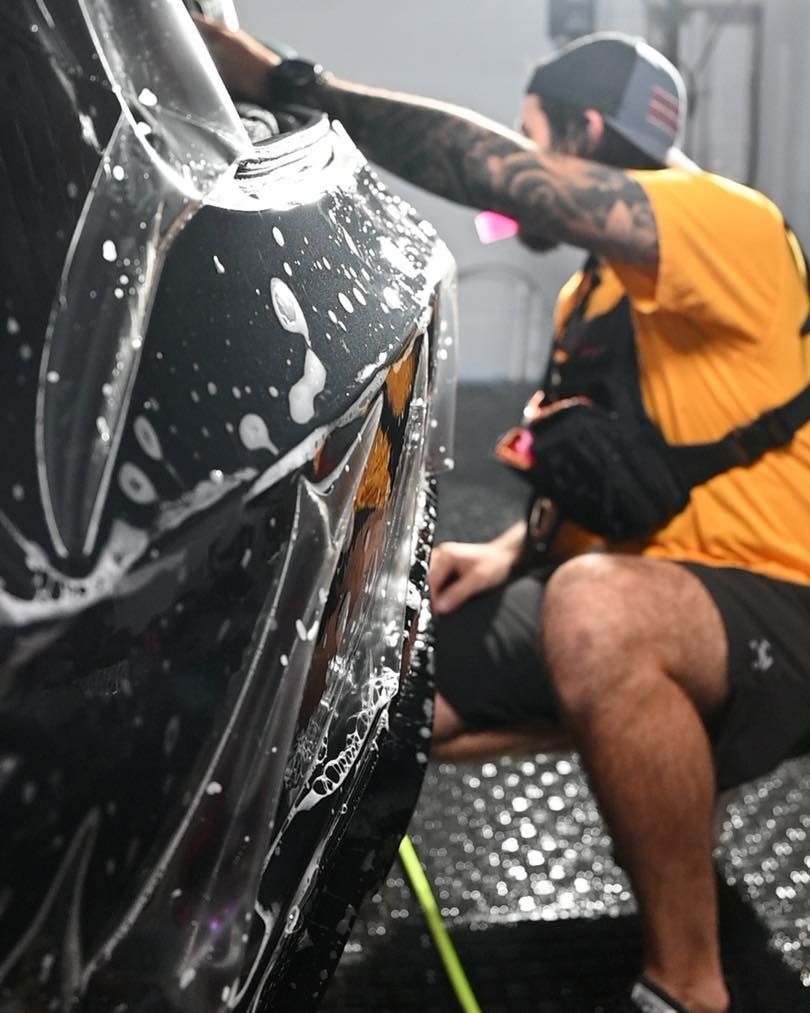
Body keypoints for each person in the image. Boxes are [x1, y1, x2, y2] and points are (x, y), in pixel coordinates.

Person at [197, 19, 810, 1013]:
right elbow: (632, 469)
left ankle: (689, 984)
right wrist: (512, 547)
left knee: (594, 610)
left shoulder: (724, 220)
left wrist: (290, 84)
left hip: (776, 605)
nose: (524, 161)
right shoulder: (591, 298)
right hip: (635, 591)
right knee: (373, 670)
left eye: (535, 137)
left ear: (581, 129)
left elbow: (497, 177)